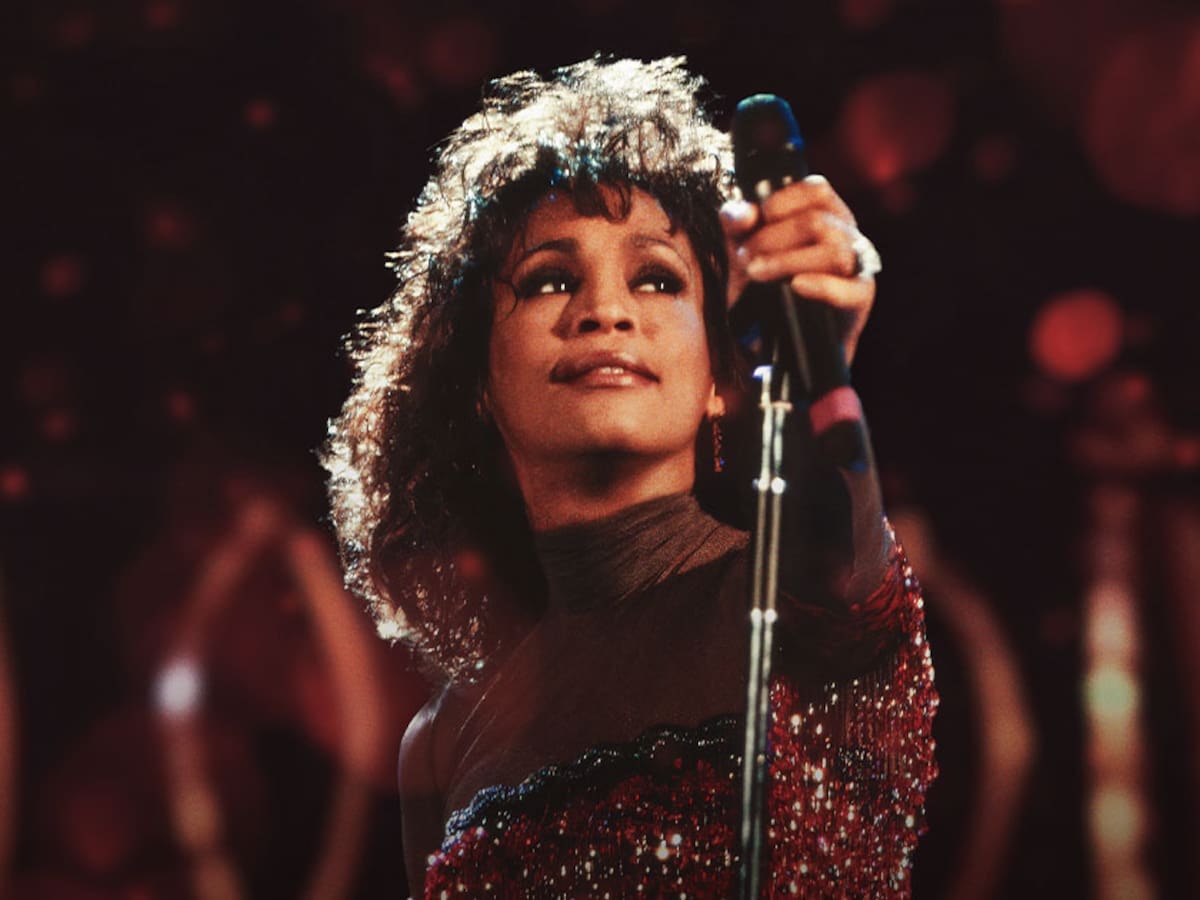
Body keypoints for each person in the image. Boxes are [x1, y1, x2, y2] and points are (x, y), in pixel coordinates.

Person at [323, 56, 938, 898]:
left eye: (656, 278)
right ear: (475, 383)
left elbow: (832, 520)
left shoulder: (801, 595)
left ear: (720, 374)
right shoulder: (442, 738)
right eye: (550, 280)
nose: (605, 311)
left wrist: (810, 354)